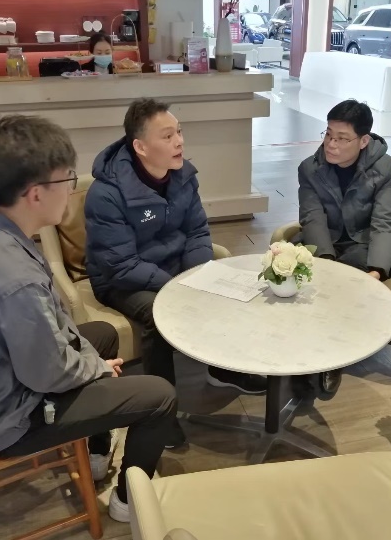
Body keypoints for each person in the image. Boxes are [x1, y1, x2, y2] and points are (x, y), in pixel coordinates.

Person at [0, 115, 176, 523]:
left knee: (101, 335)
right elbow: (47, 374)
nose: (71, 189)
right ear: (36, 193)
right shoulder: (14, 279)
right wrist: (96, 369)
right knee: (159, 397)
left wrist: (90, 361)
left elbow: (47, 338)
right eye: (67, 179)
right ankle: (129, 503)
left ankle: (95, 455)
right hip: (4, 419)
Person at [85, 98, 267, 448]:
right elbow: (121, 265)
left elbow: (197, 232)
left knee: (224, 286)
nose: (179, 142)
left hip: (172, 271)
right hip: (120, 280)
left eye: (179, 132)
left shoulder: (183, 176)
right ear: (140, 147)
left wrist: (199, 273)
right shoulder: (106, 193)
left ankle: (223, 368)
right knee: (158, 314)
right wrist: (177, 286)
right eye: (167, 136)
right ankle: (160, 411)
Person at [297, 100, 391, 281]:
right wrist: (326, 261)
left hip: (366, 242)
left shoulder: (386, 169)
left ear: (363, 141)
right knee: (288, 255)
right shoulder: (310, 169)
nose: (331, 144)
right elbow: (312, 218)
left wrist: (376, 271)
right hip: (328, 240)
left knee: (367, 259)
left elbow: (385, 221)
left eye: (342, 138)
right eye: (328, 134)